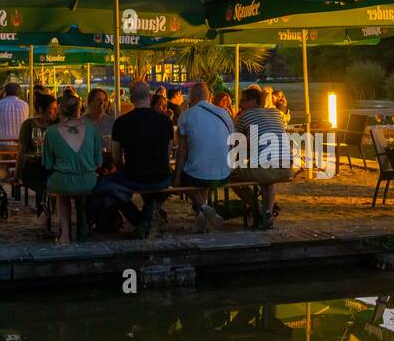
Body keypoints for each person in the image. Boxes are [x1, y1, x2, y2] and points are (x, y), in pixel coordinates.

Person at [102, 81, 174, 238]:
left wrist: (122, 171)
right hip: (162, 177)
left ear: (131, 98)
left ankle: (140, 221)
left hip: (134, 177)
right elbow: (167, 153)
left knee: (106, 186)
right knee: (158, 191)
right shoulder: (166, 121)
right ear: (150, 96)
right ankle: (146, 219)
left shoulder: (121, 122)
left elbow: (116, 158)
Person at [41, 92, 101, 243]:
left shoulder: (51, 132)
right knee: (77, 191)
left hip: (63, 181)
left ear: (60, 109)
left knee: (62, 194)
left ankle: (65, 236)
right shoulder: (91, 129)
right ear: (79, 109)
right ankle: (82, 231)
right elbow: (98, 162)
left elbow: (47, 164)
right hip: (88, 181)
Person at [176, 81, 235, 232]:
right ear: (208, 96)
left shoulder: (185, 116)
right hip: (224, 174)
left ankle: (204, 207)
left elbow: (182, 152)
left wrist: (177, 179)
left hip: (199, 176)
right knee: (202, 172)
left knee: (185, 178)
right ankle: (200, 221)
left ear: (192, 97)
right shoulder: (224, 114)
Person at [231, 86, 291, 229]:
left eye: (243, 101)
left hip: (266, 168)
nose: (241, 104)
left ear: (253, 101)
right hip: (286, 167)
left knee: (231, 177)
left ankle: (256, 207)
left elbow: (234, 141)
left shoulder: (245, 115)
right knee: (267, 180)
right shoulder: (276, 113)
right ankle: (267, 214)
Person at [18, 91, 58, 229]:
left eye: (56, 109)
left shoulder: (57, 125)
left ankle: (47, 215)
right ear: (41, 110)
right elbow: (22, 152)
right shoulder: (29, 125)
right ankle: (43, 215)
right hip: (33, 166)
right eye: (52, 109)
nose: (55, 112)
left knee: (50, 178)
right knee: (43, 181)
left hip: (52, 166)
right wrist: (16, 175)